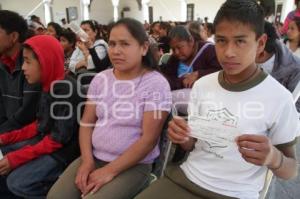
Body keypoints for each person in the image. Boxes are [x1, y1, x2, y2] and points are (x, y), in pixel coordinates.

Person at [136, 1, 300, 199]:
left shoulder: (279, 98)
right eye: (221, 41)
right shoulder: (203, 85)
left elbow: (291, 170)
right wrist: (183, 137)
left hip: (236, 193)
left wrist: (273, 158)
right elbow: (193, 144)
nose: (229, 52)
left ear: (261, 43)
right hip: (186, 179)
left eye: (240, 41)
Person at [47, 18, 172, 199]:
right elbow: (87, 123)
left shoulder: (155, 84)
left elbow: (148, 140)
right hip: (95, 157)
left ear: (144, 48)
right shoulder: (101, 79)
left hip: (133, 165)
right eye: (112, 44)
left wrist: (110, 171)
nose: (116, 51)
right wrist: (87, 160)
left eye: (125, 44)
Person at [0, 35, 83, 198]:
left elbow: (57, 141)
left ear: (45, 61)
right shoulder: (48, 84)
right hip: (47, 140)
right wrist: (6, 138)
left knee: (17, 182)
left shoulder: (65, 90)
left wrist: (16, 159)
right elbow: (40, 124)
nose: (23, 67)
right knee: (5, 151)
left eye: (28, 61)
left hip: (65, 153)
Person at [162, 25, 221, 114]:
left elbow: (222, 72)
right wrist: (182, 81)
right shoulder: (174, 59)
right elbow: (167, 81)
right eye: (173, 49)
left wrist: (199, 74)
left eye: (179, 47)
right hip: (179, 107)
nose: (176, 52)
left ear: (191, 41)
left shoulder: (209, 50)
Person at [0, 10, 41, 133]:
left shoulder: (32, 65)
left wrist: (2, 132)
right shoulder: (2, 61)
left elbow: (26, 114)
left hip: (27, 132)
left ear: (13, 37)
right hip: (8, 129)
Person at [256, 21, 300, 111]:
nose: (230, 53)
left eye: (240, 42)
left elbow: (294, 107)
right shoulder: (280, 43)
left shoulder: (295, 69)